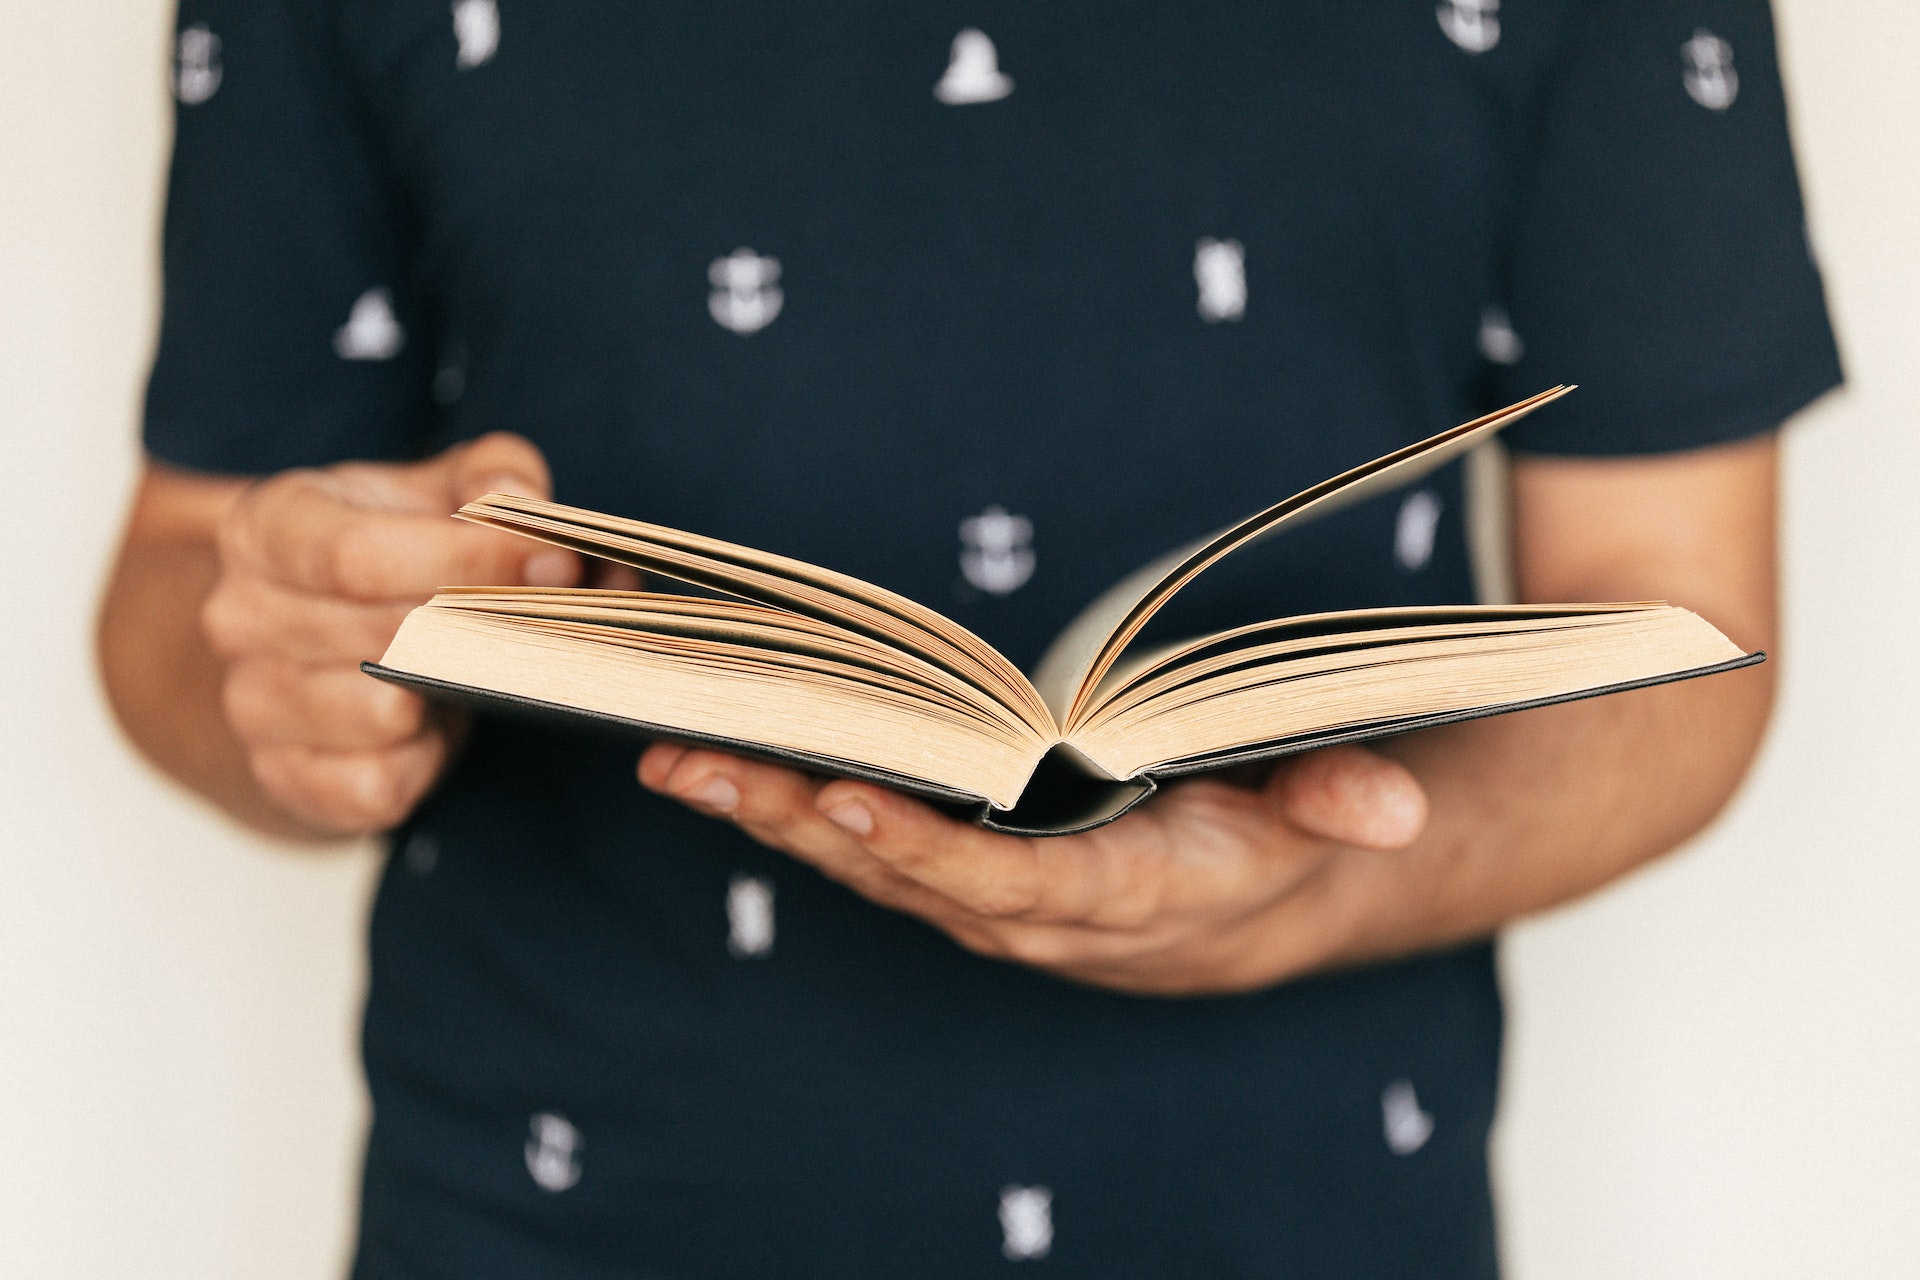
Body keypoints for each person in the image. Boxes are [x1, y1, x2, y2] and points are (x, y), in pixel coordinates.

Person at [98, 2, 1839, 1275]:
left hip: (1315, 1223)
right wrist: (296, 661)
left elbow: (1684, 628)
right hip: (542, 1216)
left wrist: (1336, 881)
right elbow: (186, 575)